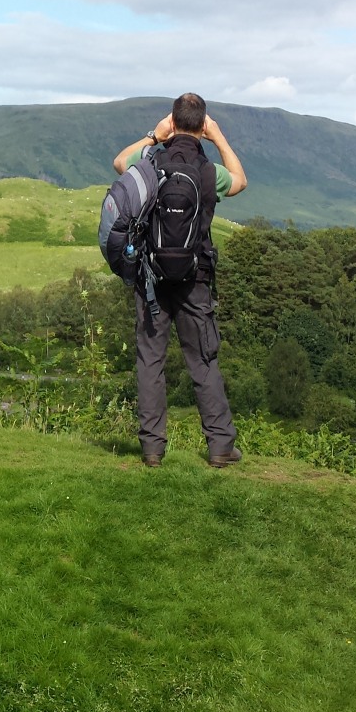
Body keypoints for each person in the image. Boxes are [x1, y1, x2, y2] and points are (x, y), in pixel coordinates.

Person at [112, 92, 247, 468]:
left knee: (150, 360)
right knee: (203, 360)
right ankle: (220, 447)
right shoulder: (209, 173)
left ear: (172, 121)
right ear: (203, 125)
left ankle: (152, 450)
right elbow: (240, 180)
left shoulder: (151, 163)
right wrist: (218, 138)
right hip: (195, 279)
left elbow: (120, 162)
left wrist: (154, 136)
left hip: (151, 279)